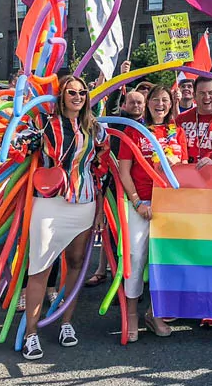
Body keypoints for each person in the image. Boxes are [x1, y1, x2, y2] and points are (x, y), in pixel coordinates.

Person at [11, 76, 108, 360]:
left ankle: (66, 322)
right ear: (61, 95)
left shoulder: (97, 129)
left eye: (82, 91)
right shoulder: (43, 123)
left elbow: (100, 170)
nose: (77, 96)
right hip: (49, 202)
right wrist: (14, 131)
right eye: (71, 92)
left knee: (77, 264)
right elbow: (18, 149)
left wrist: (100, 208)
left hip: (84, 202)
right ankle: (31, 332)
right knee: (39, 265)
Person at [119, 85, 188, 342]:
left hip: (170, 206)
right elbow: (124, 172)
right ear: (147, 103)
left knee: (163, 261)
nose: (161, 104)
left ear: (171, 104)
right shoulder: (135, 132)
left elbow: (184, 168)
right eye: (156, 100)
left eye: (165, 100)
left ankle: (155, 313)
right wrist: (137, 202)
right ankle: (132, 315)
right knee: (136, 258)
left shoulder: (177, 132)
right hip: (142, 203)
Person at [85, 90, 146, 288]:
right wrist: (119, 81)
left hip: (144, 188)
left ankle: (136, 283)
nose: (136, 106)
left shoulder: (149, 126)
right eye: (132, 102)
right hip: (117, 185)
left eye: (140, 102)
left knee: (137, 240)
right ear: (125, 105)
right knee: (115, 234)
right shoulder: (119, 121)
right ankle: (117, 283)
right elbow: (111, 105)